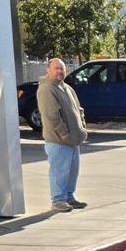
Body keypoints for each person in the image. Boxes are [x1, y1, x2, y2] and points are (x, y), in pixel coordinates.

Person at [36, 58, 88, 212]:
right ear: (48, 70)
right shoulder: (47, 89)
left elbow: (79, 110)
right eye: (56, 68)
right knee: (60, 172)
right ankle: (58, 200)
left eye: (62, 69)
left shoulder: (67, 88)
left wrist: (82, 129)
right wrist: (65, 136)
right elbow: (52, 117)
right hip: (58, 141)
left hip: (73, 140)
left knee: (71, 172)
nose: (59, 71)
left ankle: (69, 198)